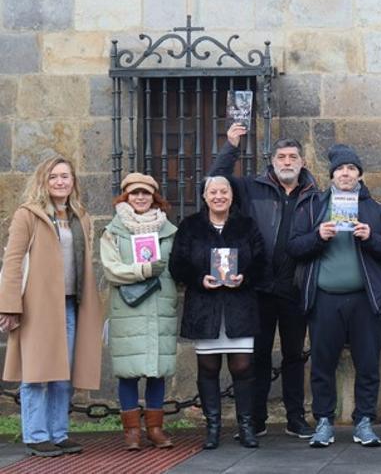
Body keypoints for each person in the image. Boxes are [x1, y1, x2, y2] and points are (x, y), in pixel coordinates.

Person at [207, 124, 319, 439]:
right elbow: (215, 181)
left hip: (295, 287)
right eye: (281, 157)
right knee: (257, 356)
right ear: (272, 161)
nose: (287, 162)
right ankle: (256, 419)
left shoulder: (314, 197)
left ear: (302, 161)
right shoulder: (251, 188)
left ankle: (296, 418)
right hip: (258, 287)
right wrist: (230, 145)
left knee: (295, 356)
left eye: (292, 156)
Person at [288, 144, 381, 448]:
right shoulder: (313, 207)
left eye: (351, 169)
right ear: (332, 176)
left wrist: (371, 237)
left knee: (368, 363)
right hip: (325, 298)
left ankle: (363, 421)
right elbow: (294, 247)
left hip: (365, 300)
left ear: (360, 175)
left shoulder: (376, 210)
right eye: (340, 169)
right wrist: (317, 236)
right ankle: (324, 421)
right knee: (323, 363)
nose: (345, 173)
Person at [0, 155, 103, 457]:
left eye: (65, 176)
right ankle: (36, 434)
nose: (60, 181)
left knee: (63, 373)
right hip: (37, 307)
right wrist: (9, 305)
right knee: (36, 373)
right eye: (54, 176)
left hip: (72, 305)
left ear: (73, 182)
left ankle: (59, 433)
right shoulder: (27, 215)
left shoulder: (80, 215)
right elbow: (13, 260)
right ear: (43, 181)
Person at [169, 176, 266, 449]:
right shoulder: (190, 226)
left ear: (232, 196)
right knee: (208, 368)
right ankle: (212, 428)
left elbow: (261, 261)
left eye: (224, 191)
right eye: (213, 192)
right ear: (204, 196)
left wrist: (244, 277)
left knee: (243, 367)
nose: (219, 196)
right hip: (205, 307)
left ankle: (246, 426)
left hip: (240, 306)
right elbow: (177, 263)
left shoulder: (246, 226)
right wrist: (199, 278)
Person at [100, 173, 178, 450]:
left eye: (146, 193)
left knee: (157, 370)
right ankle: (132, 431)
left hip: (160, 305)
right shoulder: (113, 231)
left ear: (154, 197)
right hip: (128, 307)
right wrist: (143, 270)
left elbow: (178, 267)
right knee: (128, 371)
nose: (140, 198)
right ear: (126, 197)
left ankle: (155, 428)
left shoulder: (169, 231)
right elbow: (111, 269)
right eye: (134, 193)